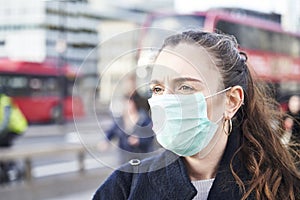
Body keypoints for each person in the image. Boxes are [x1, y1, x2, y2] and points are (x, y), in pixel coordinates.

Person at [93, 31, 300, 199]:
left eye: (184, 87)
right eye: (157, 89)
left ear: (232, 101)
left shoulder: (281, 189)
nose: (166, 101)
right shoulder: (124, 187)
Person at [101, 91, 155, 164]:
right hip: (124, 158)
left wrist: (139, 141)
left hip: (141, 158)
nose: (126, 106)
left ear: (135, 104)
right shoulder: (120, 119)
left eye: (129, 103)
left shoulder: (144, 119)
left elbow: (151, 137)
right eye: (125, 103)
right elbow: (112, 131)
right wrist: (106, 140)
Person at [0, 86, 28, 183]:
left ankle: (11, 168)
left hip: (16, 128)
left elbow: (5, 121)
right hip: (9, 129)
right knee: (4, 147)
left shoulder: (5, 101)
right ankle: (8, 167)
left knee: (2, 145)